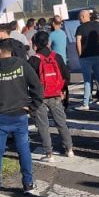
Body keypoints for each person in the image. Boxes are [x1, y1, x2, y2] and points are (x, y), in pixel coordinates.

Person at [0, 39, 44, 197]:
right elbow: (37, 86)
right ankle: (27, 184)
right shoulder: (22, 65)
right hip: (20, 114)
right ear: (11, 51)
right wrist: (33, 106)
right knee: (24, 150)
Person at [29, 30, 74, 160]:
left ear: (35, 44)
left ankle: (49, 153)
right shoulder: (57, 57)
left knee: (43, 125)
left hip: (39, 97)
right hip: (56, 95)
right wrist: (63, 90)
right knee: (61, 123)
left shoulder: (33, 60)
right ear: (48, 42)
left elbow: (27, 79)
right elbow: (67, 76)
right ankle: (69, 149)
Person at [75, 9, 99, 109]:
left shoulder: (80, 28)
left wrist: (80, 54)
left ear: (82, 17)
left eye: (79, 18)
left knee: (87, 80)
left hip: (85, 57)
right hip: (97, 56)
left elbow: (78, 42)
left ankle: (86, 103)